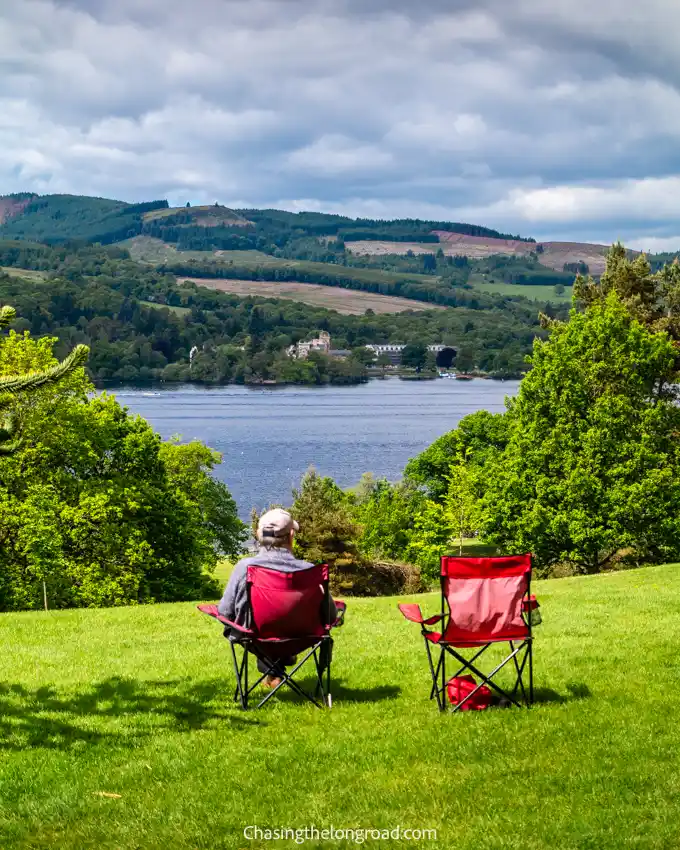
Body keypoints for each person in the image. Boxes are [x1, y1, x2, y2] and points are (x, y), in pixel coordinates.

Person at [218, 508, 339, 688]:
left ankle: (272, 672)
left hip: (255, 638)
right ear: (291, 535)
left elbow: (224, 612)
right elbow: (330, 616)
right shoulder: (309, 571)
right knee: (284, 623)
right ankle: (276, 671)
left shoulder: (245, 567)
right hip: (302, 638)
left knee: (263, 625)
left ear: (260, 535)